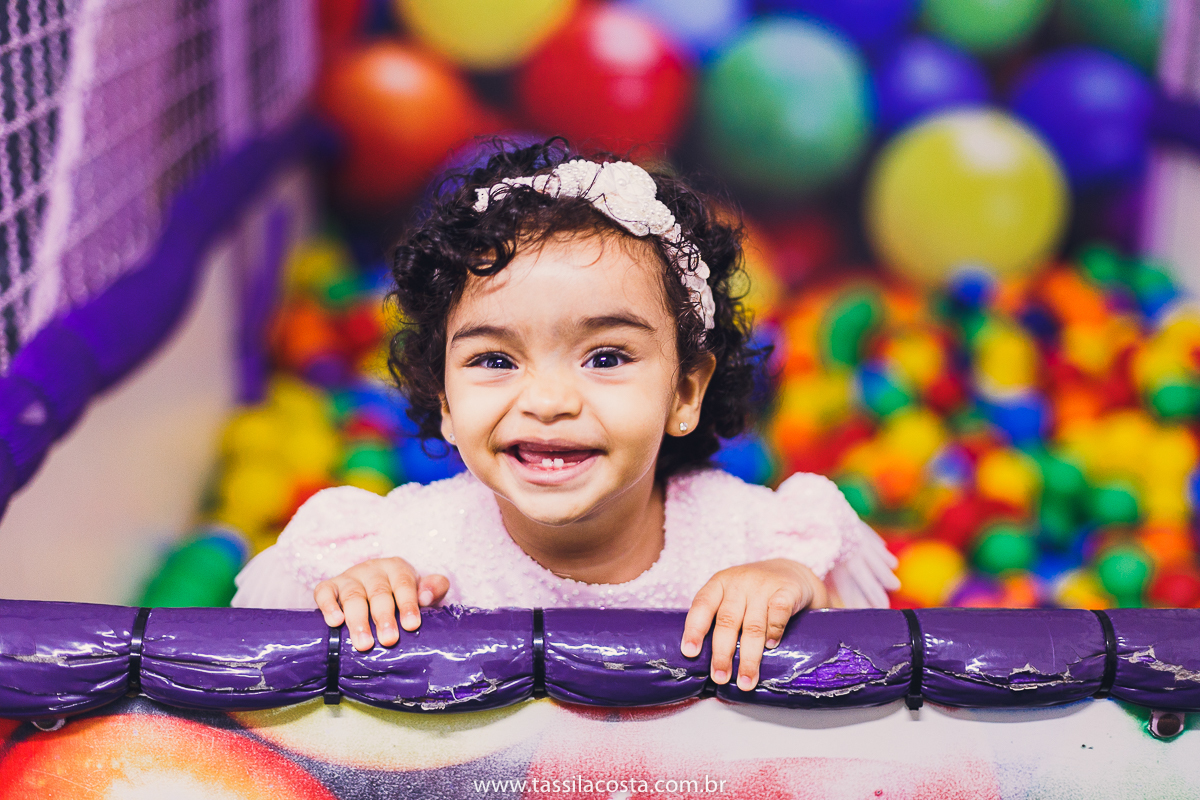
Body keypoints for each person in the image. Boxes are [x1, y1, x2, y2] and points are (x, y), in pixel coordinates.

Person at [232, 138, 899, 693]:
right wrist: (351, 598)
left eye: (606, 358)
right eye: (495, 361)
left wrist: (796, 590)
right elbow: (251, 661)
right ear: (443, 402)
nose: (548, 402)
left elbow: (871, 682)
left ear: (685, 393)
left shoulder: (752, 537)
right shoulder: (407, 549)